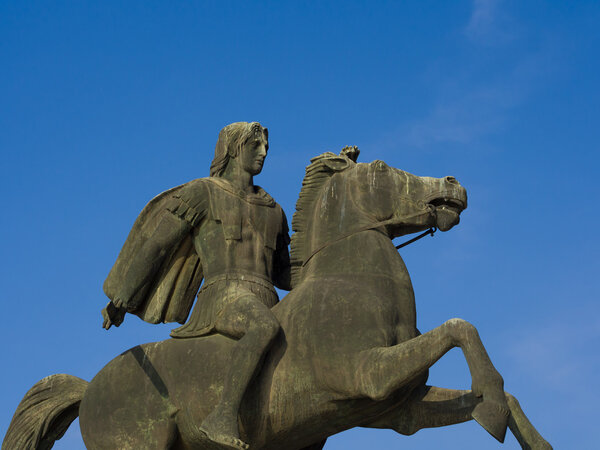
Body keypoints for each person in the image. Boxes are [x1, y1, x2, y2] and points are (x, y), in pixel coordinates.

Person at [101, 122, 291, 450]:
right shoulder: (203, 193)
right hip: (224, 296)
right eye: (255, 146)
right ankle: (222, 415)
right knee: (262, 326)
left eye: (266, 148)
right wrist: (124, 298)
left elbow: (287, 276)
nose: (263, 154)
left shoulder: (275, 210)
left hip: (268, 298)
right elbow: (158, 246)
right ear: (233, 148)